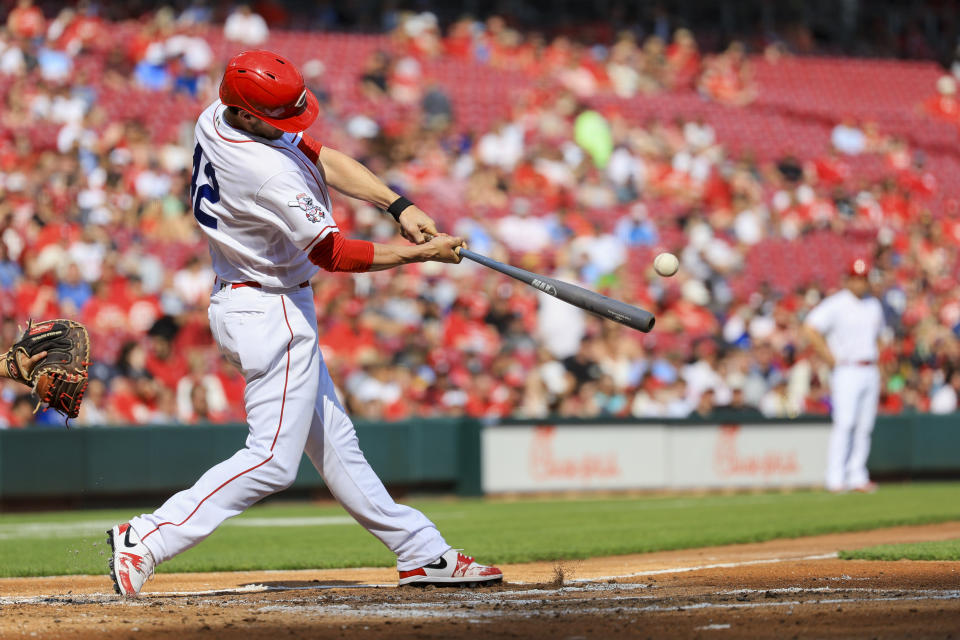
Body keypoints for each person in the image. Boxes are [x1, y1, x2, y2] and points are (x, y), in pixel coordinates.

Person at [107, 50, 502, 596]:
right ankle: (146, 537)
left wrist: (397, 204)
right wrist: (421, 255)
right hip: (270, 311)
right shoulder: (264, 172)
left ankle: (422, 552)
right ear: (246, 114)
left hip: (252, 298)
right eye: (278, 115)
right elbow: (333, 253)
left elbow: (319, 154)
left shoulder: (215, 116)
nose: (293, 123)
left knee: (337, 446)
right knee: (272, 461)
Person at [803, 257, 884, 493]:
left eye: (863, 278)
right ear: (847, 279)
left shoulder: (873, 305)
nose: (859, 283)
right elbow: (810, 327)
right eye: (855, 278)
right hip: (847, 369)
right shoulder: (837, 303)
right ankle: (835, 477)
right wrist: (829, 357)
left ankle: (857, 475)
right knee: (845, 423)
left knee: (864, 426)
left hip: (870, 367)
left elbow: (878, 336)